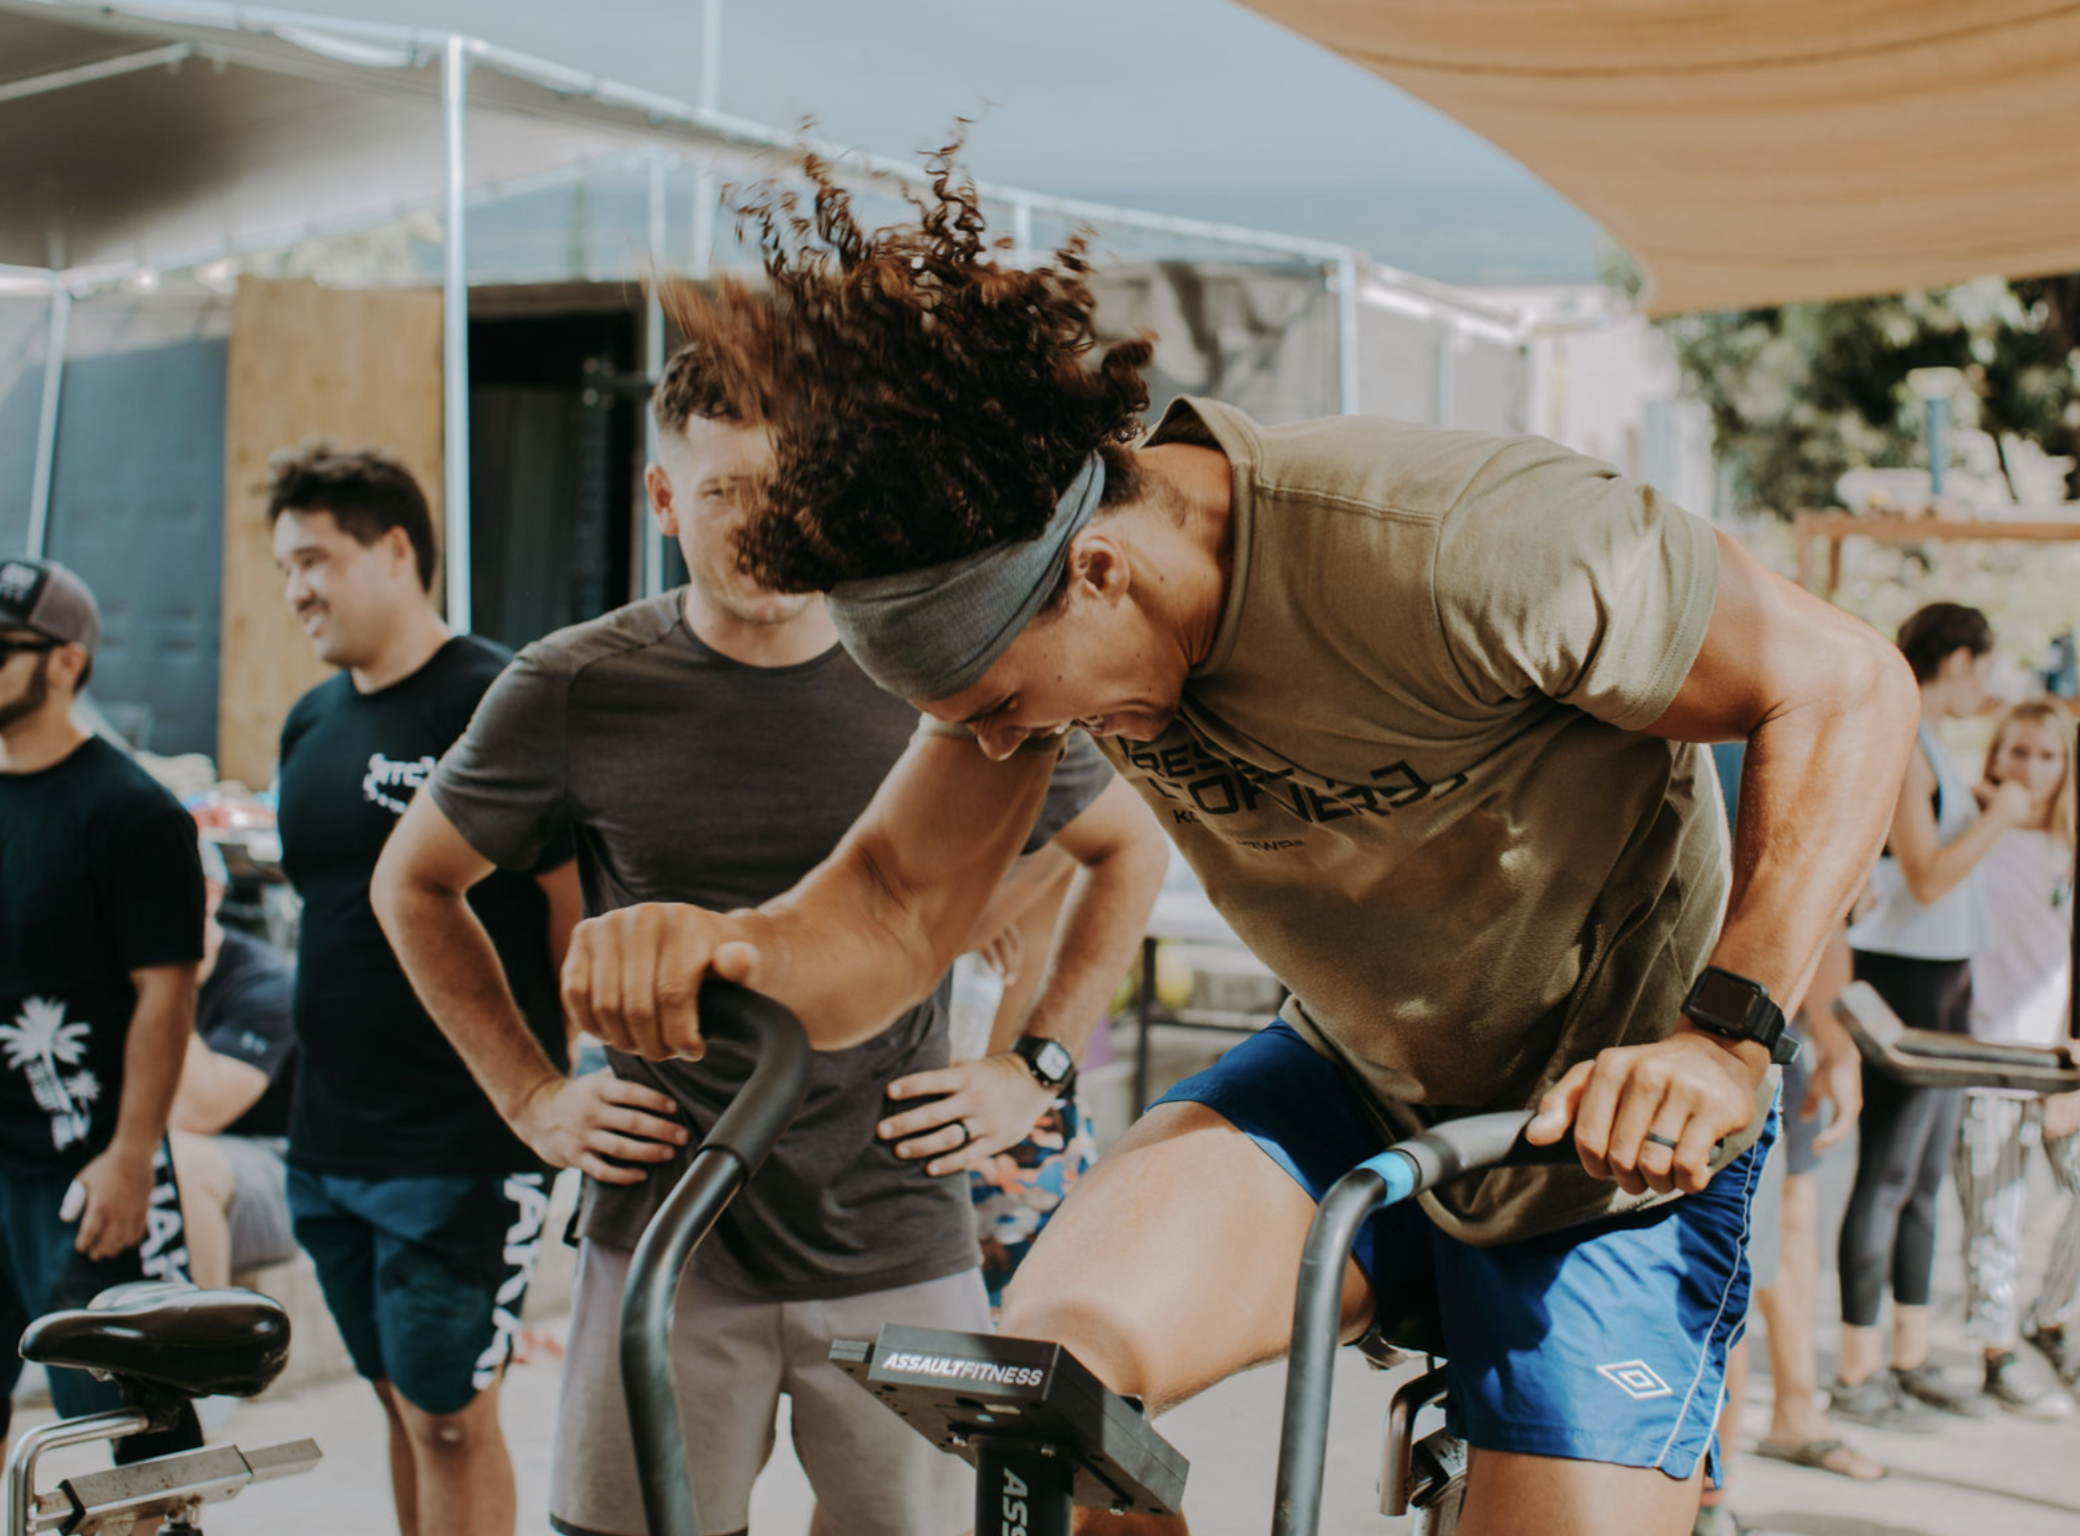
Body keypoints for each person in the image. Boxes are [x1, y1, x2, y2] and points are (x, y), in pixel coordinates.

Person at [559, 153, 1922, 1536]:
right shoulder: (1038, 632)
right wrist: (723, 943)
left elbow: (1843, 684)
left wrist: (1727, 1030)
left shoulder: (1449, 545)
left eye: (995, 710)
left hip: (1613, 1133)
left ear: (1101, 572)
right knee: (1042, 1393)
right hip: (1355, 1085)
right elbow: (896, 908)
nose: (993, 750)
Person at [370, 345, 1166, 1536]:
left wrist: (1031, 1069)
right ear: (659, 500)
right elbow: (415, 885)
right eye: (724, 493)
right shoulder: (576, 685)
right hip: (668, 1238)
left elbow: (1128, 848)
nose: (764, 531)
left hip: (898, 1226)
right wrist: (531, 1098)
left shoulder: (929, 665)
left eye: (792, 495)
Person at [267, 446, 583, 1536]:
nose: (297, 587)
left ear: (395, 549)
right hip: (330, 1144)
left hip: (461, 1146)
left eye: (314, 557)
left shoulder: (495, 698)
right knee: (399, 1408)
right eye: (284, 567)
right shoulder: (307, 725)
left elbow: (569, 909)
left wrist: (562, 1079)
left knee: (450, 1418)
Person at [0, 557, 204, 1467]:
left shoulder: (132, 813)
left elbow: (168, 992)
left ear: (66, 663)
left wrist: (129, 1157)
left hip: (83, 1171)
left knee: (132, 1427)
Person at [1833, 603, 2032, 1429]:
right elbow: (1925, 874)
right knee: (1885, 1175)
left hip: (1943, 979)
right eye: (1981, 667)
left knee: (1920, 1181)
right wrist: (2001, 815)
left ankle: (1908, 1358)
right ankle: (1857, 1371)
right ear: (1956, 659)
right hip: (1905, 981)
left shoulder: (1931, 738)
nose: (1985, 684)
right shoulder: (1906, 737)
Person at [1693, 756, 1876, 1536]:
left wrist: (1834, 1040)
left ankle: (1710, 1496)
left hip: (1743, 1056)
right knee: (1729, 1274)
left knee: (1734, 1273)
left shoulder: (1779, 736)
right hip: (1669, 1048)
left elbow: (1822, 906)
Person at [1949, 700, 2080, 1415]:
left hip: (2057, 1058)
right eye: (2018, 752)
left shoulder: (2070, 845)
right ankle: (1997, 1354)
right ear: (1995, 757)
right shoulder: (1973, 830)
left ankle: (2048, 1316)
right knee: (1992, 1214)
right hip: (1984, 1056)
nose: (2031, 769)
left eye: (2048, 756)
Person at [169, 838, 299, 1290]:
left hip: (275, 1166)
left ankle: (204, 1342)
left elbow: (195, 1114)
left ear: (210, 893)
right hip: (154, 1147)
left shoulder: (267, 982)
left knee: (179, 1159)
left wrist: (170, 984)